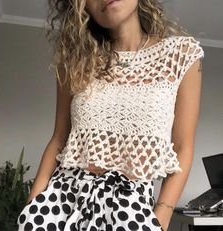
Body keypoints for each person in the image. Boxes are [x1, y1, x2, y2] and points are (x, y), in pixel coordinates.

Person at [17, 0, 204, 230]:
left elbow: (183, 147)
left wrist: (162, 215)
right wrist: (33, 204)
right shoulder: (75, 62)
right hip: (61, 201)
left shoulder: (181, 55)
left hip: (130, 206)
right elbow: (59, 138)